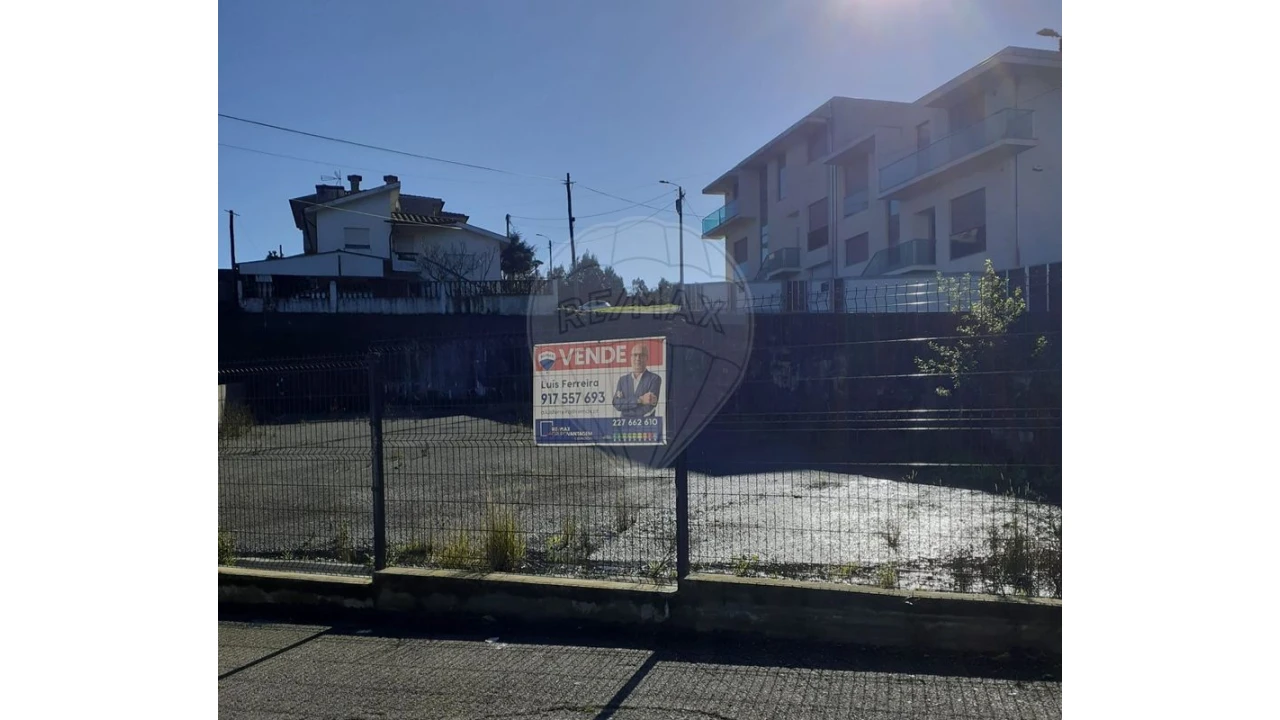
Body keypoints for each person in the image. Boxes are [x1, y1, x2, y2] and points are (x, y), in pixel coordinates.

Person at [613, 343, 661, 418]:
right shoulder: (623, 380)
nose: (638, 358)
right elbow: (616, 403)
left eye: (641, 355)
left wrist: (625, 409)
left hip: (645, 426)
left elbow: (648, 407)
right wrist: (640, 400)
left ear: (647, 358)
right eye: (635, 355)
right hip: (624, 426)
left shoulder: (654, 379)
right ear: (631, 358)